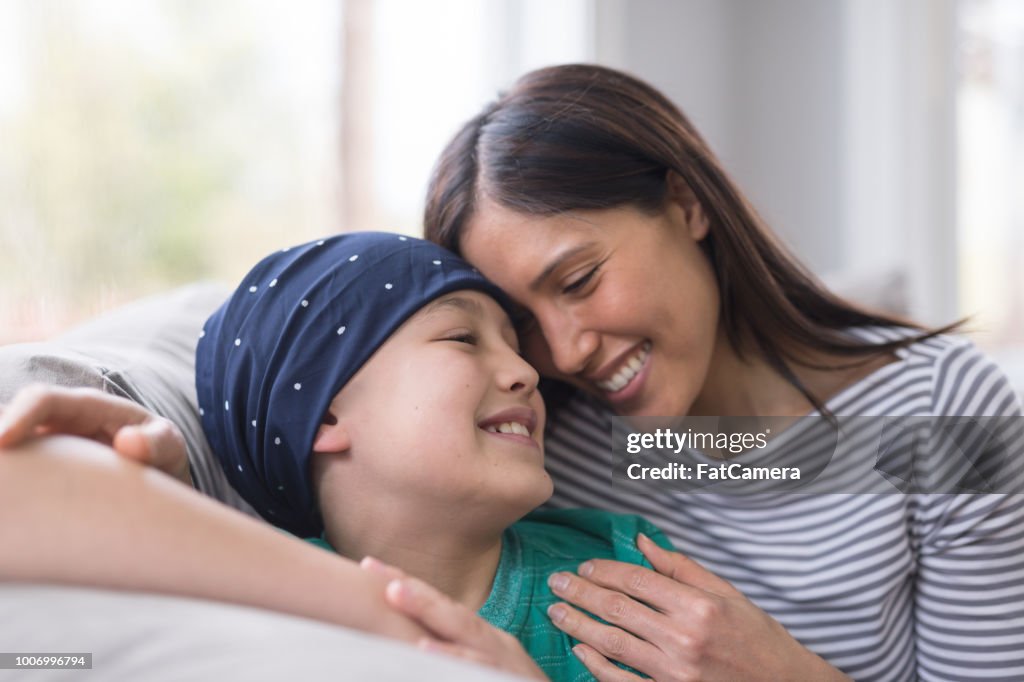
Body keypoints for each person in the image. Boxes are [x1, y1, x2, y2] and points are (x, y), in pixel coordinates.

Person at [406, 63, 1024, 681]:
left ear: (686, 204)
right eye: (524, 323)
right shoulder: (537, 445)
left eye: (578, 280)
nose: (565, 355)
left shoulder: (947, 413)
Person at [0, 232, 680, 681]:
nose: (528, 373)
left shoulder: (625, 568)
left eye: (512, 343)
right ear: (323, 414)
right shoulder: (272, 617)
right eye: (462, 340)